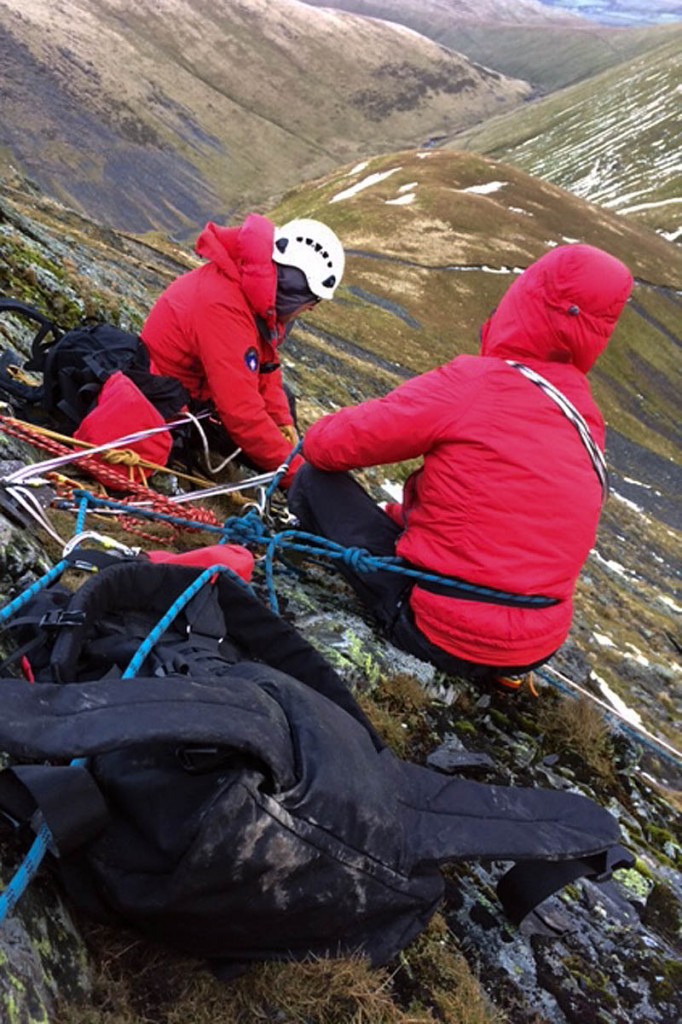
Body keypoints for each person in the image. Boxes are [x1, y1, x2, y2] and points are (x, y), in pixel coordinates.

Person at [288, 244, 633, 683]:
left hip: (443, 632)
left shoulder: (476, 383)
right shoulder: (585, 416)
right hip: (533, 648)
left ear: (523, 301)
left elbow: (327, 446)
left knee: (315, 479)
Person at [141, 214, 345, 486]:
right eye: (312, 301)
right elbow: (241, 414)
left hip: (200, 392)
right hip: (173, 405)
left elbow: (266, 366)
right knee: (269, 446)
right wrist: (297, 474)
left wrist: (283, 423)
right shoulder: (224, 308)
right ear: (294, 292)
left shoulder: (256, 293)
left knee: (284, 401)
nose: (309, 309)